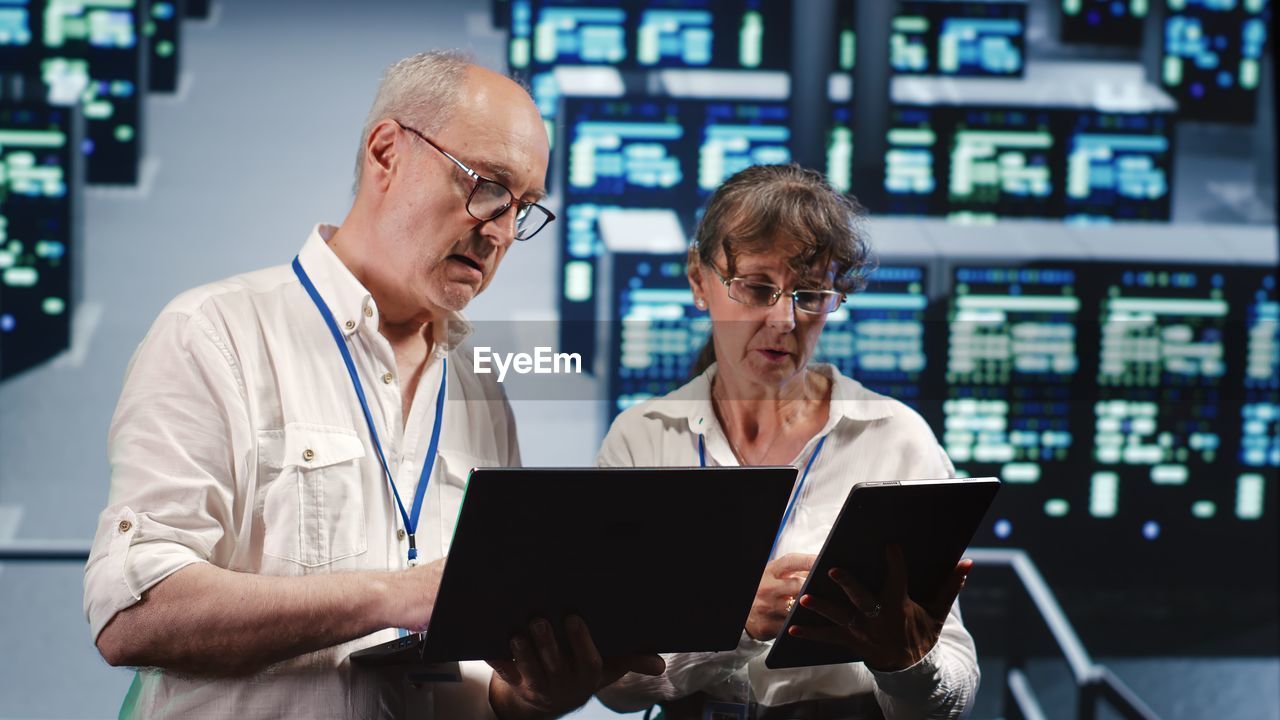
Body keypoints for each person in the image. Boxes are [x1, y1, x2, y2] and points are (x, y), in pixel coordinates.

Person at [83, 50, 661, 719]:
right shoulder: (216, 335)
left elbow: (476, 683)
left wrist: (533, 695)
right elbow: (131, 612)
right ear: (386, 152)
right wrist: (395, 595)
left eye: (523, 208)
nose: (501, 230)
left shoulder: (479, 394)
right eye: (488, 186)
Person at [595, 164, 980, 719]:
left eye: (810, 294)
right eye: (756, 288)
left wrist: (907, 665)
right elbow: (616, 689)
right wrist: (733, 622)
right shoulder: (645, 438)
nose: (783, 320)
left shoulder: (894, 437)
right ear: (699, 282)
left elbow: (955, 695)